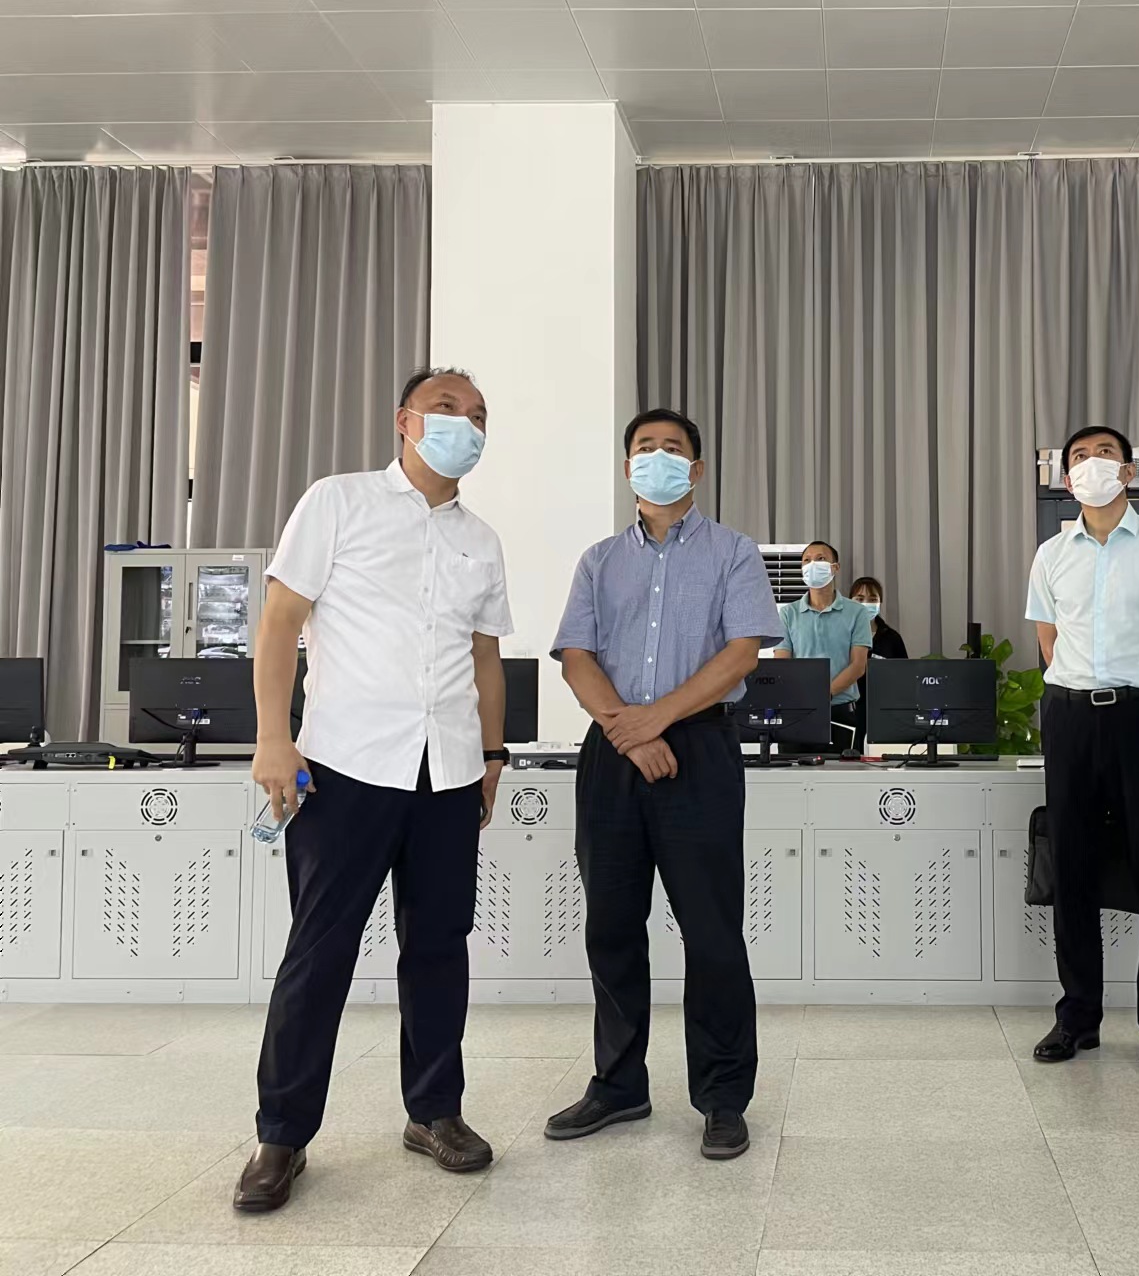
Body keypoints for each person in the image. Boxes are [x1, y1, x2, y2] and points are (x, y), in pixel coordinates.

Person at [238, 368, 512, 1212]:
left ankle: (434, 1112)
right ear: (404, 419)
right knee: (320, 951)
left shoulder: (481, 540)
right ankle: (281, 1135)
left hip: (447, 774)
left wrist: (491, 755)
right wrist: (273, 737)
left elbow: (485, 656)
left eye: (478, 416)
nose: (464, 424)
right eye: (447, 409)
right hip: (346, 769)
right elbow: (280, 620)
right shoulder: (338, 501)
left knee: (439, 948)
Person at [548, 407, 783, 1161]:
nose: (658, 457)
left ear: (697, 468)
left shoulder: (733, 552)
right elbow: (576, 656)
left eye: (672, 448)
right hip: (613, 751)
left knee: (711, 931)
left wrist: (658, 719)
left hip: (700, 749)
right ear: (628, 469)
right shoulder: (598, 561)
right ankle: (619, 1085)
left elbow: (742, 653)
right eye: (644, 448)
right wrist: (629, 729)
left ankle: (723, 1096)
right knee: (611, 927)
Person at [1025, 425, 1139, 1078]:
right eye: (1079, 457)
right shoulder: (1051, 554)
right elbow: (1049, 642)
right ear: (1066, 477)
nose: (1091, 464)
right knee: (1071, 866)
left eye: (1104, 455)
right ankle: (1078, 1016)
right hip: (1070, 716)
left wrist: (1134, 685)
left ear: (1128, 472)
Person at [773, 541, 872, 754]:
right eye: (806, 560)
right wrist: (805, 697)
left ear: (835, 567)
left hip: (840, 711)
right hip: (796, 711)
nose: (812, 564)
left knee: (842, 773)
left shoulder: (857, 612)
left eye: (820, 559)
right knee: (791, 772)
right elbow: (781, 664)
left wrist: (823, 694)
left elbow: (858, 665)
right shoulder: (788, 613)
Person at [847, 576, 907, 752]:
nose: (866, 604)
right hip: (848, 712)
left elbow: (905, 678)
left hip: (883, 713)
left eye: (872, 599)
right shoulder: (841, 635)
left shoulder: (892, 638)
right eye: (859, 599)